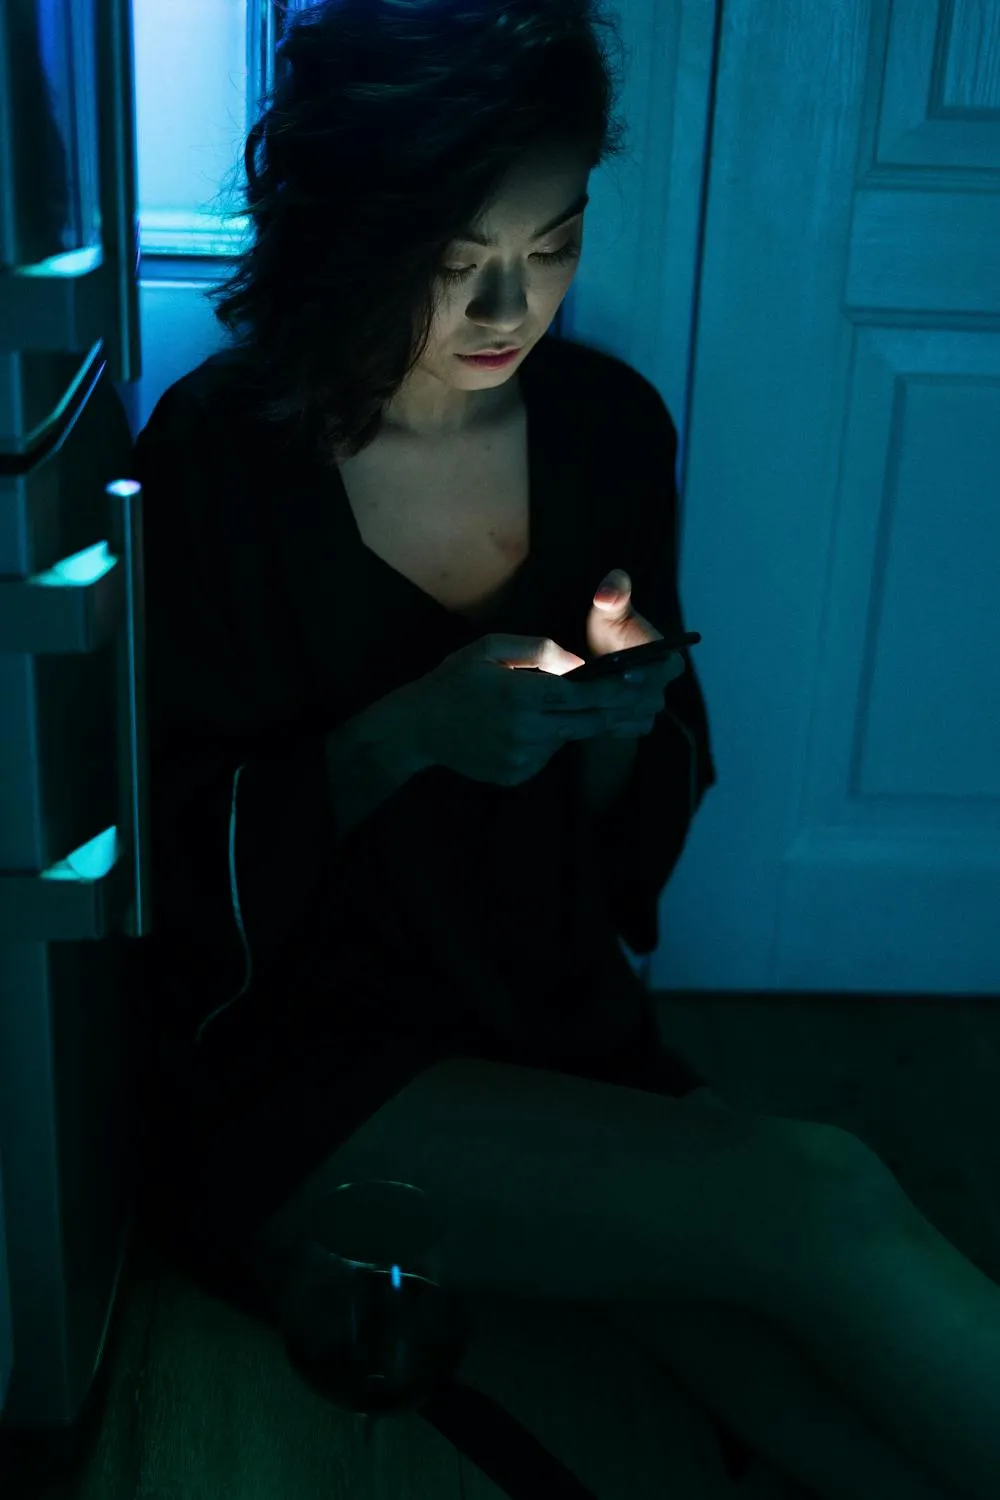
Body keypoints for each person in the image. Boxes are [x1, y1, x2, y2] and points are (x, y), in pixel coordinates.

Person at [133, 5, 1000, 1499]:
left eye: (551, 246)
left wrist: (620, 718)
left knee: (762, 1327)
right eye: (454, 254)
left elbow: (628, 824)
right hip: (303, 1080)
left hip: (545, 1023)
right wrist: (406, 736)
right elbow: (165, 862)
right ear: (348, 226)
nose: (504, 304)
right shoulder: (218, 462)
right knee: (822, 1199)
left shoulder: (605, 429)